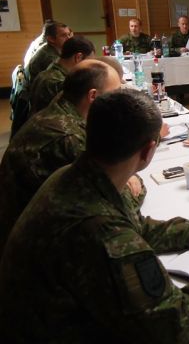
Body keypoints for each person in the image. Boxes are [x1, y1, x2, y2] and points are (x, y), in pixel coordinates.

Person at [0, 89, 189, 342]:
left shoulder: (74, 175)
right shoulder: (101, 230)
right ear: (148, 151)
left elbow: (135, 225)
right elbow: (173, 324)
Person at [0, 60, 123, 255]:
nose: (119, 99)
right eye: (115, 93)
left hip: (25, 228)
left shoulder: (62, 106)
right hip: (36, 249)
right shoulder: (68, 137)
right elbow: (114, 199)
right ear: (93, 95)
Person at [29, 35, 95, 114]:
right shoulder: (59, 82)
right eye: (89, 62)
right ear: (79, 57)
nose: (89, 67)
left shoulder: (48, 73)